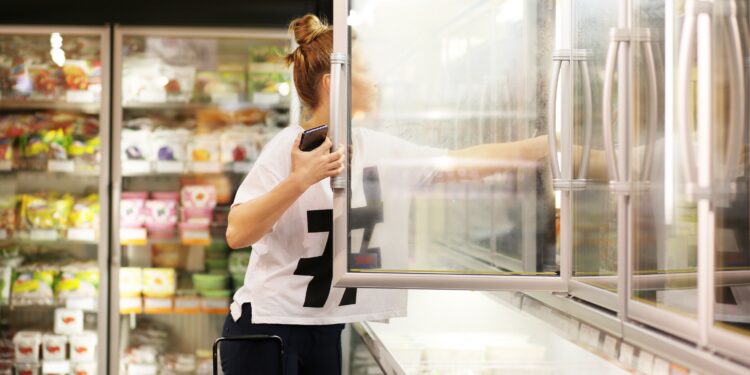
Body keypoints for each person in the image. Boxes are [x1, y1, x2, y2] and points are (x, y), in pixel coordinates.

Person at [222, 14, 559, 375]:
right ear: (334, 83)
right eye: (367, 70)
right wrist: (300, 180)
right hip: (266, 332)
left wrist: (546, 145)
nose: (377, 82)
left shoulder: (374, 148)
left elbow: (459, 164)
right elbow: (238, 233)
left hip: (325, 330)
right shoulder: (286, 148)